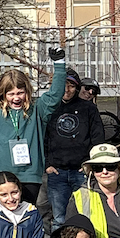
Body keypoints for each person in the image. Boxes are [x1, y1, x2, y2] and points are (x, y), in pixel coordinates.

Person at [0, 43, 66, 202]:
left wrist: (59, 64)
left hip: (29, 175)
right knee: (4, 214)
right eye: (11, 94)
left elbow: (55, 94)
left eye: (20, 93)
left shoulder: (38, 110)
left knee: (26, 214)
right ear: (3, 93)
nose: (16, 98)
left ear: (27, 92)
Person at [43, 68, 105, 229]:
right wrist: (47, 164)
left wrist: (91, 164)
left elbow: (97, 138)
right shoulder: (49, 107)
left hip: (81, 170)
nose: (67, 90)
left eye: (71, 86)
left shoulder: (88, 108)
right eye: (63, 85)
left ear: (77, 88)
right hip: (57, 171)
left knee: (86, 215)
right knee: (59, 218)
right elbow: (43, 138)